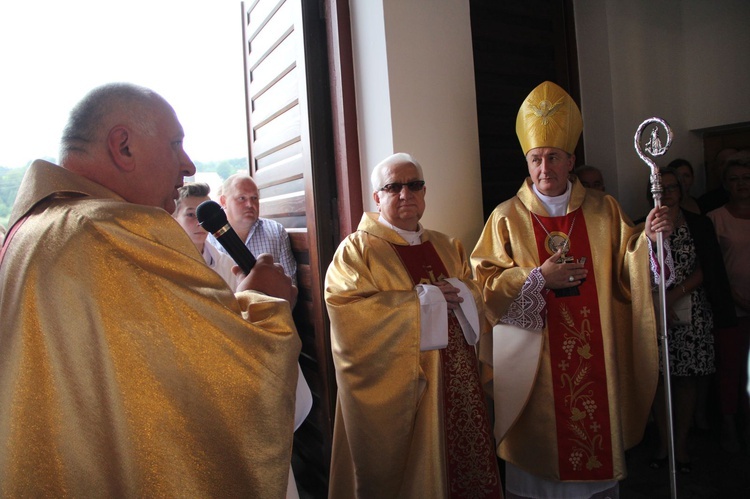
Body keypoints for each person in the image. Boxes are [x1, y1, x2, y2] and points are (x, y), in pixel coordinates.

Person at [0, 83, 301, 496]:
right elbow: (223, 377)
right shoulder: (108, 233)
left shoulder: (38, 229)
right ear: (123, 146)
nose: (189, 166)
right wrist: (264, 301)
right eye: (176, 144)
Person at [471, 81, 673, 499]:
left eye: (553, 158)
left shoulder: (604, 210)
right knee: (540, 461)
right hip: (536, 364)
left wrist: (649, 242)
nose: (544, 168)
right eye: (536, 159)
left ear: (570, 161)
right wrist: (538, 278)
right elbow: (485, 283)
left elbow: (627, 266)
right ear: (527, 164)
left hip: (597, 357)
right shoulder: (506, 217)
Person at [325, 153, 502, 498]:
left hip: (458, 379)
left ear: (424, 192)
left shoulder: (448, 245)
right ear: (377, 197)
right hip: (407, 389)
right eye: (393, 187)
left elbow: (476, 293)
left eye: (414, 185)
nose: (405, 194)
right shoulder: (357, 250)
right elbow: (348, 313)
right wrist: (424, 302)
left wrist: (463, 293)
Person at [646, 168, 735, 472]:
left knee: (686, 380)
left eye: (672, 187)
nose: (667, 193)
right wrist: (659, 301)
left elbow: (707, 267)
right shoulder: (640, 225)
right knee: (659, 378)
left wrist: (674, 295)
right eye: (662, 188)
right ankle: (663, 444)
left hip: (693, 309)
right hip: (654, 312)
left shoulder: (698, 224)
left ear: (681, 192)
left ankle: (681, 446)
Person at [707, 154, 750, 453]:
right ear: (726, 185)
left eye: (746, 179)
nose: (741, 185)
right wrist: (739, 300)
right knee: (731, 369)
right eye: (734, 180)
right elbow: (715, 269)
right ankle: (731, 430)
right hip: (733, 308)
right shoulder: (716, 218)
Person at [210, 173, 297, 284]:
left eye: (254, 198)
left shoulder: (276, 231)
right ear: (223, 201)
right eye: (242, 198)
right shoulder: (208, 237)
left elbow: (290, 285)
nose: (250, 204)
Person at [173, 182, 239, 290]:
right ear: (174, 218)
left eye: (204, 216)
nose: (199, 223)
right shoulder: (164, 262)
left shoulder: (225, 264)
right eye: (191, 215)